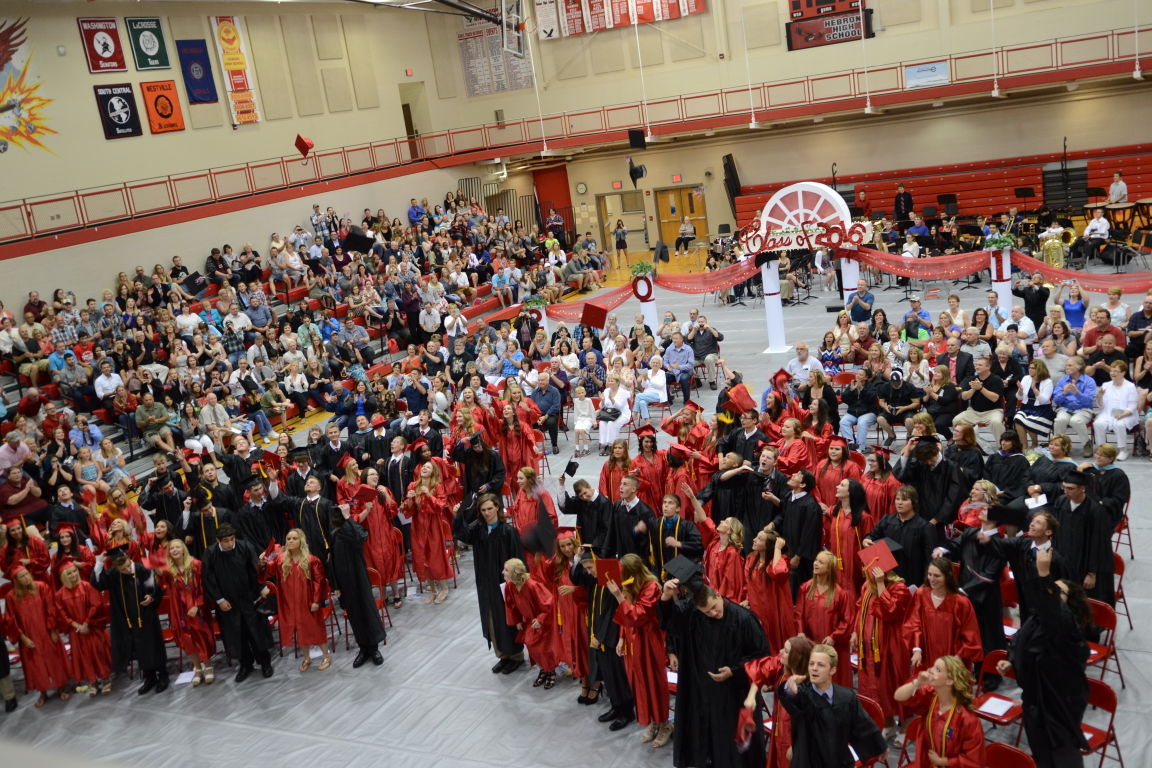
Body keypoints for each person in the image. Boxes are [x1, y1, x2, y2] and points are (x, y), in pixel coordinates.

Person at [658, 582, 770, 768]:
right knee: (710, 737)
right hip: (705, 691)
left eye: (714, 608)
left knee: (734, 745)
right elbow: (670, 624)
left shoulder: (743, 619)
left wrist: (734, 670)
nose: (714, 614)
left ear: (718, 595)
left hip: (736, 693)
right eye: (707, 612)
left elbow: (762, 656)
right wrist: (666, 597)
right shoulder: (696, 616)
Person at [997, 548, 1091, 768]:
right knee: (1041, 754)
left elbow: (1055, 613)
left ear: (1070, 603)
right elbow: (1022, 640)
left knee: (1062, 756)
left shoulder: (1069, 628)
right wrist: (1011, 659)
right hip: (1034, 699)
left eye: (1059, 592)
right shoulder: (1037, 619)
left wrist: (1044, 573)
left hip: (1059, 702)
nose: (1052, 594)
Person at [777, 644, 887, 768]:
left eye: (820, 665)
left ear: (833, 670)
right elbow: (789, 699)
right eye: (811, 664)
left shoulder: (847, 697)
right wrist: (789, 688)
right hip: (808, 761)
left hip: (838, 760)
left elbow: (862, 725)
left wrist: (880, 746)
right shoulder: (801, 694)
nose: (814, 668)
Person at [452, 493, 526, 674]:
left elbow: (519, 559)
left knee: (508, 620)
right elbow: (463, 534)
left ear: (497, 508)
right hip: (486, 583)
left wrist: (516, 583)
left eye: (490, 509)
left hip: (504, 585)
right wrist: (458, 516)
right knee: (492, 619)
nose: (486, 513)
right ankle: (502, 655)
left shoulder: (508, 532)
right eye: (483, 510)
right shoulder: (479, 528)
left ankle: (515, 656)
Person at [606, 553, 672, 746]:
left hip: (649, 642)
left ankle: (664, 724)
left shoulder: (651, 587)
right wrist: (620, 638)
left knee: (653, 683)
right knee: (639, 684)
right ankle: (652, 721)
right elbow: (625, 619)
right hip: (631, 641)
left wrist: (618, 596)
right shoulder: (629, 583)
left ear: (634, 572)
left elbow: (637, 616)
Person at [202, 524, 274, 682]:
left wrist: (261, 587)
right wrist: (219, 599)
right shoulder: (210, 553)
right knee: (236, 635)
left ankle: (265, 663)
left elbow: (254, 569)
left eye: (232, 539)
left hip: (249, 598)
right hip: (227, 602)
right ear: (218, 540)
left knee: (256, 632)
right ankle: (245, 665)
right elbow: (208, 578)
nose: (229, 544)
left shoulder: (244, 547)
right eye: (225, 541)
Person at [94, 551, 169, 695]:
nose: (127, 570)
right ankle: (150, 678)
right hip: (127, 619)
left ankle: (163, 676)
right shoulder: (115, 574)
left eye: (128, 567)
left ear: (129, 560)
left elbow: (154, 588)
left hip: (146, 616)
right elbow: (99, 584)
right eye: (123, 569)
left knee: (153, 646)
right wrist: (99, 563)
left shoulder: (142, 569)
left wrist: (151, 597)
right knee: (139, 648)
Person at [893, 655, 986, 768]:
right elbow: (898, 696)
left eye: (937, 669)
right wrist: (918, 683)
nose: (930, 670)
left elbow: (974, 761)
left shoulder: (967, 720)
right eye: (933, 666)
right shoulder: (930, 697)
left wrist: (944, 762)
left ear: (949, 681)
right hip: (925, 762)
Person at [852, 559, 911, 727]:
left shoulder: (900, 588)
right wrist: (855, 632)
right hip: (868, 648)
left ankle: (905, 726)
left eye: (869, 567)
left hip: (890, 645)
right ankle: (888, 723)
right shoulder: (866, 586)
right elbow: (860, 609)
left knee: (894, 683)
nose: (864, 569)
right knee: (874, 686)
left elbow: (890, 611)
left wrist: (880, 585)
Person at [264, 528, 331, 671]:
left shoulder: (312, 560)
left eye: (294, 538)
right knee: (299, 630)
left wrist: (316, 601)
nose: (291, 541)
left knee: (315, 628)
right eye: (288, 539)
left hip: (307, 600)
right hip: (290, 601)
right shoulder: (280, 559)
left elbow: (319, 582)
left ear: (301, 541)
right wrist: (263, 561)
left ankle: (326, 656)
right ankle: (307, 658)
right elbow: (267, 571)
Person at [330, 505, 387, 668]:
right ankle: (363, 649)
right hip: (345, 583)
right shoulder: (334, 535)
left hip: (360, 578)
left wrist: (348, 517)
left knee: (368, 612)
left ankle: (374, 649)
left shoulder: (354, 531)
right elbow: (332, 561)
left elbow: (360, 537)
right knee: (354, 616)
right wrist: (336, 585)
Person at [6, 566, 70, 707]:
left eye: (27, 574)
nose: (26, 578)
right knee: (35, 665)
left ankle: (60, 689)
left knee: (54, 660)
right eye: (22, 576)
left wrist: (53, 630)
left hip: (46, 632)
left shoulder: (41, 587)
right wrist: (23, 638)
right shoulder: (12, 596)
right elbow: (11, 620)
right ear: (16, 580)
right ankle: (43, 693)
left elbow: (51, 609)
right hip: (29, 637)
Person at [905, 557, 983, 673]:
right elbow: (913, 623)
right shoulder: (921, 595)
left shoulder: (960, 602)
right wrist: (917, 649)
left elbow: (971, 636)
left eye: (937, 576)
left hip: (952, 659)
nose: (932, 579)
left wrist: (956, 660)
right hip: (926, 656)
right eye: (930, 574)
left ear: (948, 576)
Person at [159, 539, 217, 687]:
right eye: (171, 548)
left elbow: (204, 587)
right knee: (186, 639)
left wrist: (198, 605)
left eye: (177, 547)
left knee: (201, 636)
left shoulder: (195, 564)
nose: (174, 550)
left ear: (183, 549)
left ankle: (208, 665)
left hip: (197, 608)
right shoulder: (169, 570)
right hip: (179, 610)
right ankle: (197, 668)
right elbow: (162, 585)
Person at [404, 460, 454, 603]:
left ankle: (444, 588)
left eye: (428, 467)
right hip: (418, 525)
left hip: (433, 525)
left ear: (433, 472)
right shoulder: (413, 486)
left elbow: (441, 506)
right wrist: (410, 500)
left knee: (435, 557)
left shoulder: (437, 486)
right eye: (423, 466)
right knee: (422, 558)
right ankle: (432, 590)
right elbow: (408, 511)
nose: (425, 468)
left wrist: (429, 494)